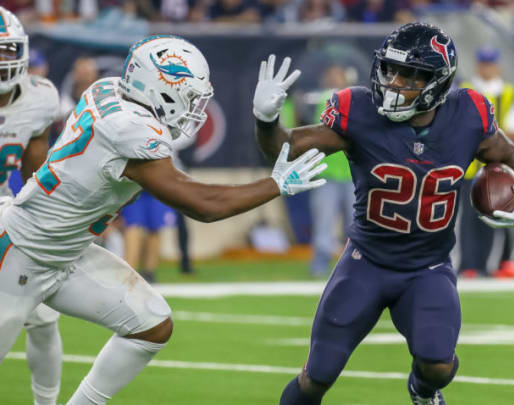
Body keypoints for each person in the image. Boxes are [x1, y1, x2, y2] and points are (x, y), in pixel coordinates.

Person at [0, 34, 328, 405]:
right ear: (161, 87)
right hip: (20, 253)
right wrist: (275, 184)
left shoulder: (108, 89)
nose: (194, 108)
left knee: (150, 324)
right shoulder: (131, 130)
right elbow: (203, 204)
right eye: (189, 95)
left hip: (64, 250)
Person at [254, 23, 514, 405]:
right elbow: (286, 149)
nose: (394, 82)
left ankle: (421, 392)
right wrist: (266, 121)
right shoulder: (359, 111)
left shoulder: (468, 115)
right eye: (391, 70)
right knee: (316, 377)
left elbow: (507, 154)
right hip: (365, 262)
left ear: (437, 82)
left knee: (439, 365)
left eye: (410, 75)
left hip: (428, 267)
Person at [0, 8, 63, 405]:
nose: (3, 60)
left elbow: (37, 173)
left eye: (8, 49)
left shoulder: (39, 98)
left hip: (6, 213)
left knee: (43, 320)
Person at [459, 46, 514, 276]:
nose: (487, 68)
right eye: (483, 63)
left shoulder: (508, 92)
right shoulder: (465, 89)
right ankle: (468, 264)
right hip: (469, 166)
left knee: (493, 215)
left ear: (497, 65)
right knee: (468, 218)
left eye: (490, 63)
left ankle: (488, 265)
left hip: (496, 166)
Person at [308, 64, 354, 277]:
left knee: (356, 225)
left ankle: (356, 264)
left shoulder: (354, 103)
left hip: (351, 174)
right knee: (324, 223)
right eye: (332, 75)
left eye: (339, 75)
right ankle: (320, 265)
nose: (335, 79)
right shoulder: (321, 101)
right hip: (326, 173)